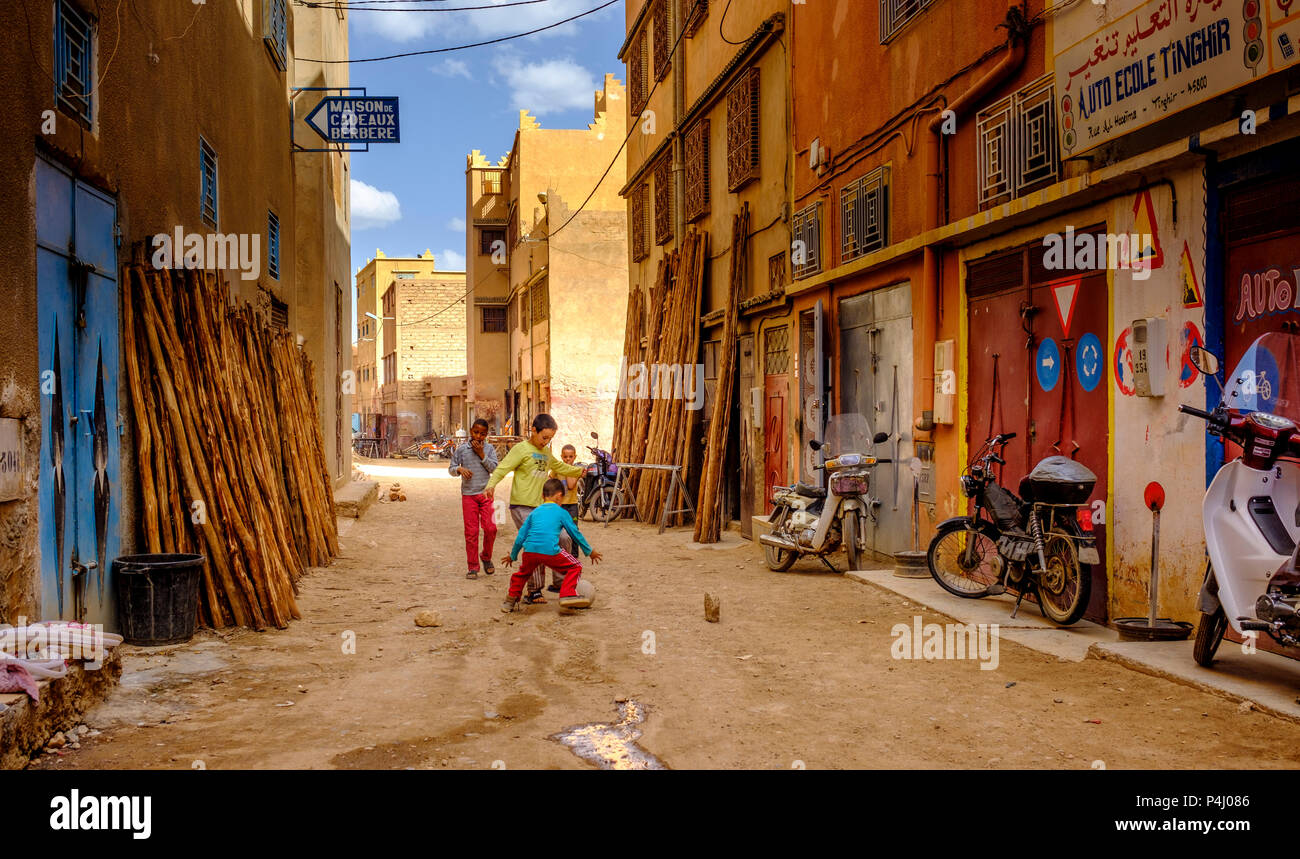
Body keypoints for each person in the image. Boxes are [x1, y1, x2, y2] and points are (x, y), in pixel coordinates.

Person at [484, 414, 585, 604]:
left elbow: (561, 466)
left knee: (563, 537)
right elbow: (502, 468)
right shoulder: (520, 449)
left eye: (550, 439)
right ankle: (534, 591)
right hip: (521, 506)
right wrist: (491, 485)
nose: (546, 442)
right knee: (538, 542)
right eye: (544, 437)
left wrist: (581, 471)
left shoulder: (546, 453)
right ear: (534, 430)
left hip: (542, 508)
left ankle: (561, 583)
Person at [500, 478, 602, 612]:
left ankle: (510, 600)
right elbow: (575, 533)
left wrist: (512, 556)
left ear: (543, 496)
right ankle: (567, 594)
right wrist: (589, 551)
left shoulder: (534, 512)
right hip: (550, 551)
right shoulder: (562, 512)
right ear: (559, 496)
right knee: (576, 566)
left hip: (530, 551)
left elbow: (521, 537)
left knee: (522, 574)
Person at [449, 418, 498, 579]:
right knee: (471, 532)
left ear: (486, 435)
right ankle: (473, 567)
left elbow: (495, 469)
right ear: (471, 431)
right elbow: (451, 468)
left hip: (486, 494)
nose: (478, 436)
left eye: (482, 434)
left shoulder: (489, 449)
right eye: (476, 432)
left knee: (491, 528)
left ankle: (485, 556)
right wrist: (459, 469)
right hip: (468, 495)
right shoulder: (462, 449)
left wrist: (482, 454)